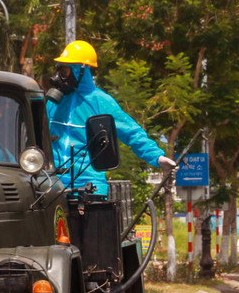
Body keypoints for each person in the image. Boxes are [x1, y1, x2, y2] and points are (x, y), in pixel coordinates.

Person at [46, 40, 175, 194]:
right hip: (53, 183)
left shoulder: (100, 101)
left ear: (81, 70)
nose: (60, 76)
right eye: (60, 70)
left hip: (89, 184)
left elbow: (131, 132)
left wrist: (157, 157)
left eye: (65, 71)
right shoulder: (54, 102)